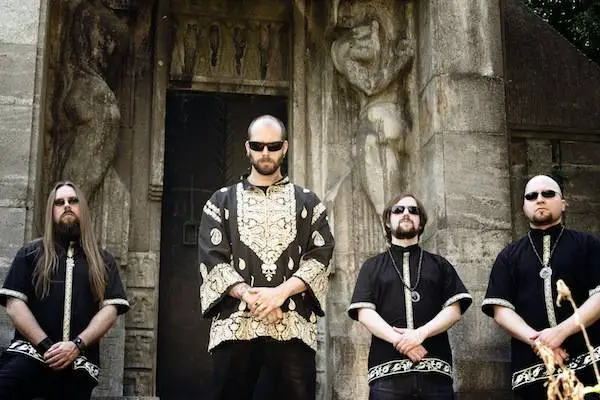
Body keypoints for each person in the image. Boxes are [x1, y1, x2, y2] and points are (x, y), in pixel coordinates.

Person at [198, 115, 334, 400]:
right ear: (247, 147)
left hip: (292, 324)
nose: (265, 153)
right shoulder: (220, 202)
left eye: (273, 146)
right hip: (235, 325)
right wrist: (255, 298)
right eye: (258, 146)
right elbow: (213, 259)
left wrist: (280, 294)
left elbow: (320, 257)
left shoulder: (309, 202)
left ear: (285, 147)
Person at [0, 181, 130, 399]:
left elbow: (110, 310)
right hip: (29, 354)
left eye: (73, 201)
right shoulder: (30, 253)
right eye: (59, 202)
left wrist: (76, 346)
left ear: (83, 209)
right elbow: (14, 305)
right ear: (51, 211)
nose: (67, 205)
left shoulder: (103, 261)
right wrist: (47, 346)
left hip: (78, 362)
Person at [482, 175, 600, 399]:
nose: (540, 199)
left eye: (548, 193)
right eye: (531, 196)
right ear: (524, 207)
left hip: (589, 362)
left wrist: (560, 332)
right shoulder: (508, 256)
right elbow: (501, 310)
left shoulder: (588, 245)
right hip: (532, 371)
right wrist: (541, 343)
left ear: (563, 204)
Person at [348, 194, 472, 399]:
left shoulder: (440, 265)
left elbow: (454, 310)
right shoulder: (371, 266)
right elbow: (364, 313)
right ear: (388, 221)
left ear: (420, 222)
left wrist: (420, 334)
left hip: (435, 375)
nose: (406, 213)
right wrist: (401, 341)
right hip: (387, 376)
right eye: (398, 210)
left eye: (413, 211)